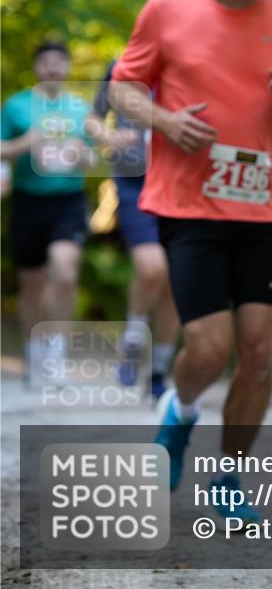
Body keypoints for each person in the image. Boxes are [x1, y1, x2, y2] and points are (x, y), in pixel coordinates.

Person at [108, 0, 272, 521]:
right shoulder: (167, 7)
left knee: (259, 352)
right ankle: (182, 410)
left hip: (260, 208)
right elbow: (122, 87)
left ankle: (229, 476)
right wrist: (165, 122)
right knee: (207, 349)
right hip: (188, 205)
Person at [0, 41, 122, 384]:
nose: (53, 67)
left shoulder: (80, 109)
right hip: (28, 200)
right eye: (46, 61)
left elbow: (95, 158)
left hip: (68, 201)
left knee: (65, 272)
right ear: (36, 67)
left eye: (59, 61)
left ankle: (56, 353)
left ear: (67, 67)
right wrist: (26, 144)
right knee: (32, 283)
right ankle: (33, 353)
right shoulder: (16, 106)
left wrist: (82, 155)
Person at [94, 62, 179, 401]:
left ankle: (159, 368)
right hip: (135, 184)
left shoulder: (188, 62)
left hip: (180, 184)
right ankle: (132, 341)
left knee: (176, 280)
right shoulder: (122, 67)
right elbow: (93, 118)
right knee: (151, 268)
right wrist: (109, 137)